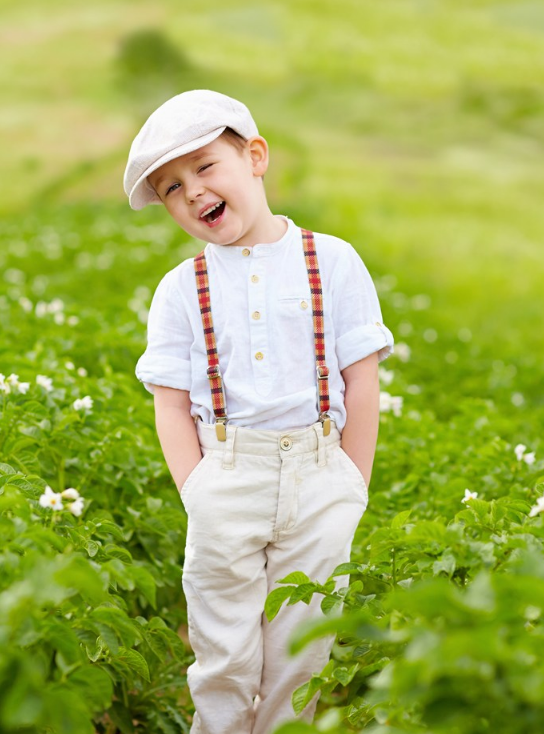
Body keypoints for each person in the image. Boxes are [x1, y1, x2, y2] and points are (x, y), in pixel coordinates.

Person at [124, 89, 394, 734]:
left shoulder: (332, 259)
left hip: (320, 474)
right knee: (223, 654)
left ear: (255, 157)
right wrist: (200, 491)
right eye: (170, 188)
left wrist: (351, 483)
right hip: (227, 474)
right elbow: (170, 403)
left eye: (206, 167)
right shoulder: (179, 289)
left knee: (303, 650)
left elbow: (362, 378)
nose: (192, 192)